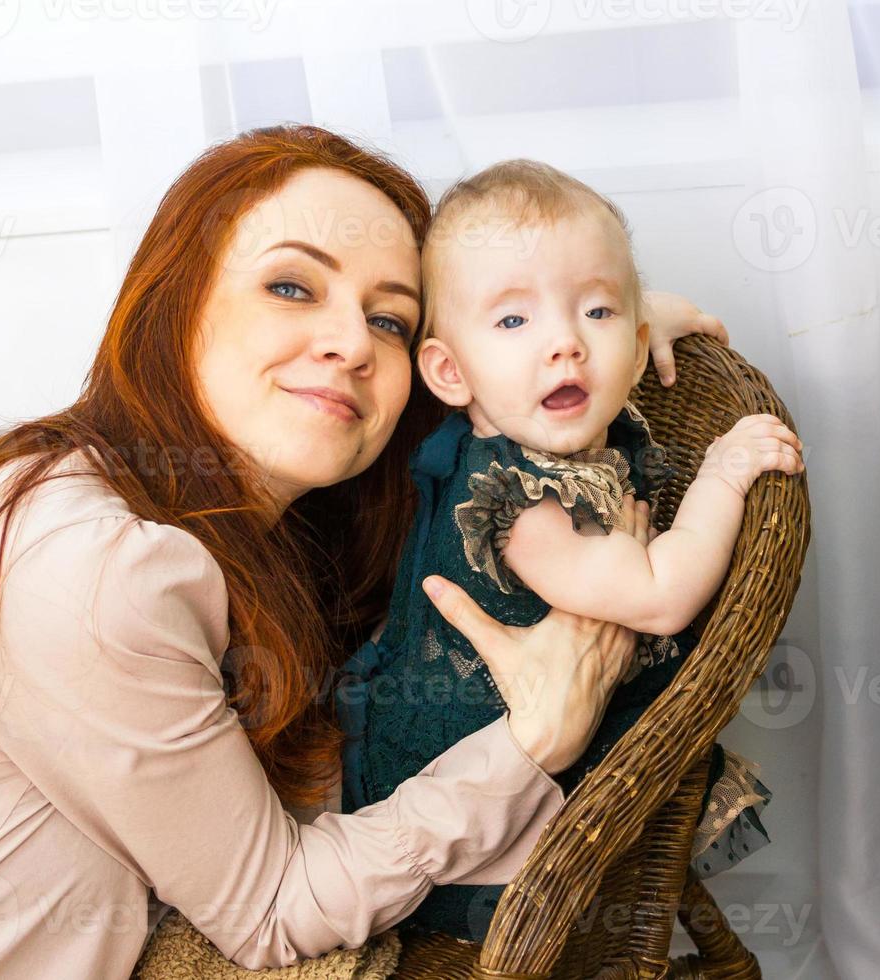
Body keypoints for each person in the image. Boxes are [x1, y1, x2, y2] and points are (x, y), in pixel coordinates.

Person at [0, 127, 725, 979]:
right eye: (293, 286)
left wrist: (602, 328)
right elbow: (275, 906)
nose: (348, 339)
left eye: (388, 320)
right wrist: (534, 739)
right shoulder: (96, 564)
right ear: (177, 304)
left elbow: (487, 379)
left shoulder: (206, 517)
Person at [338, 160, 801, 943]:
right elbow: (658, 593)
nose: (565, 346)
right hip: (482, 821)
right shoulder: (514, 507)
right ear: (452, 372)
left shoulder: (522, 402)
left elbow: (579, 328)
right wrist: (722, 473)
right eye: (514, 322)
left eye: (596, 310)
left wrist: (646, 314)